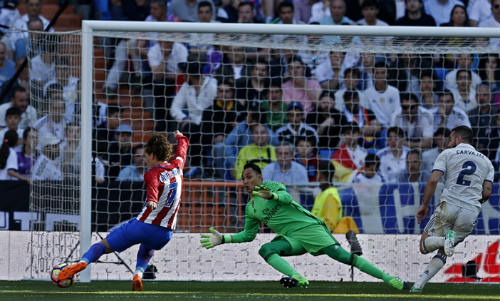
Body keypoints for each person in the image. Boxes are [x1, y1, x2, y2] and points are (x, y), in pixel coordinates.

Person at [200, 162, 406, 290]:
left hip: (310, 228)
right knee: (266, 249)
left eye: (249, 177)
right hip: (292, 238)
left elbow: (287, 197)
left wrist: (272, 195)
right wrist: (224, 239)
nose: (245, 181)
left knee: (344, 258)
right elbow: (248, 235)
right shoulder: (251, 207)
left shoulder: (270, 186)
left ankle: (388, 278)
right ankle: (298, 278)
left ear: (260, 177)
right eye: (243, 179)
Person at [56, 131, 189, 291]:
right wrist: (181, 137)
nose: (144, 159)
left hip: (142, 226)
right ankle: (138, 275)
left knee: (102, 246)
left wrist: (153, 199)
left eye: (146, 155)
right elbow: (182, 149)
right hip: (165, 234)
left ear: (152, 155)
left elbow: (153, 185)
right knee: (147, 247)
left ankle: (82, 263)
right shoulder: (178, 166)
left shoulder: (152, 173)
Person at [411, 126, 493, 293]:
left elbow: (433, 180)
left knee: (423, 245)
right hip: (470, 213)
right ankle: (419, 285)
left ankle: (442, 240)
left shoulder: (448, 154)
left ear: (458, 139)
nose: (448, 142)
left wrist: (424, 205)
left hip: (449, 206)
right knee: (444, 251)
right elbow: (487, 192)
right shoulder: (486, 161)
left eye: (450, 138)